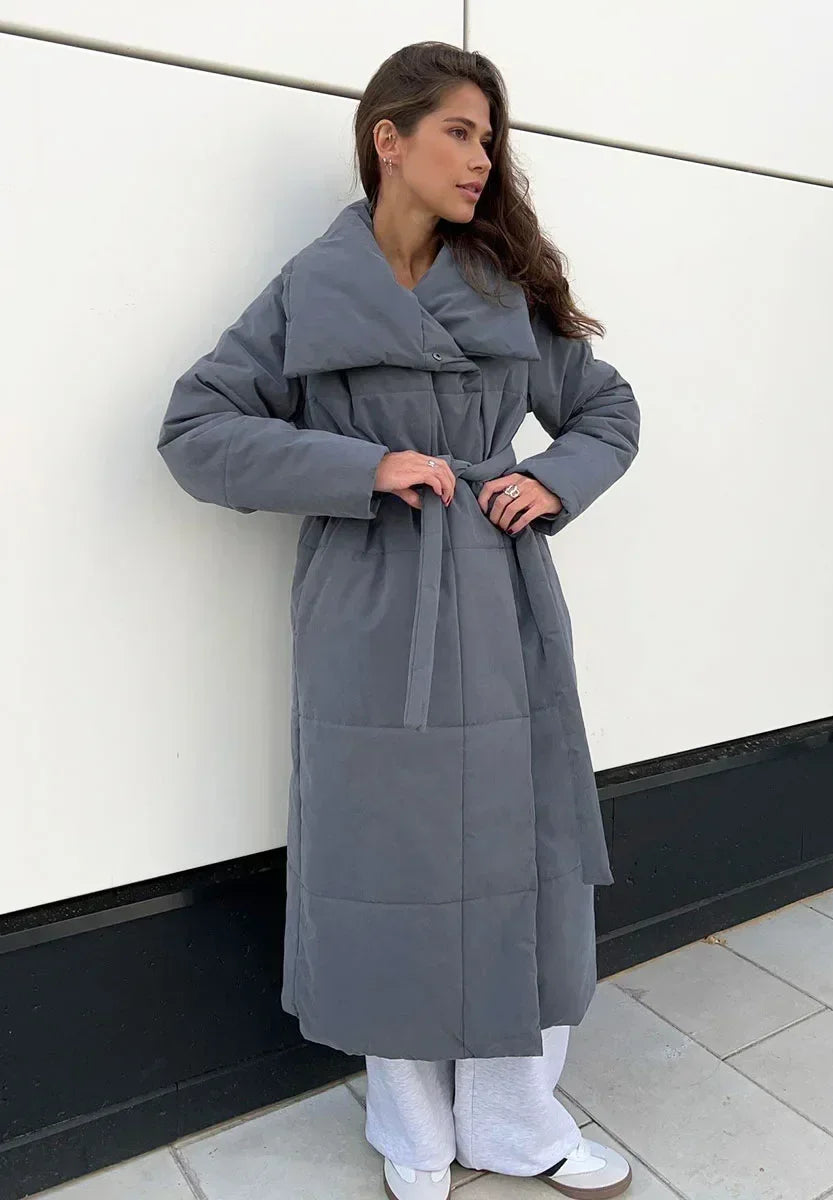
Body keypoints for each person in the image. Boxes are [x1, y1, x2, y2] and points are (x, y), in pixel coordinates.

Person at [157, 40, 639, 1200]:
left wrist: (552, 479)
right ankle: (410, 1122)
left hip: (504, 597)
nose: (481, 159)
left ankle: (515, 1121)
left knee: (523, 851)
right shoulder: (310, 289)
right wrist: (361, 466)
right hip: (370, 607)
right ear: (390, 138)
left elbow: (606, 409)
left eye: (490, 139)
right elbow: (195, 431)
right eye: (460, 132)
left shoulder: (507, 287)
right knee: (386, 861)